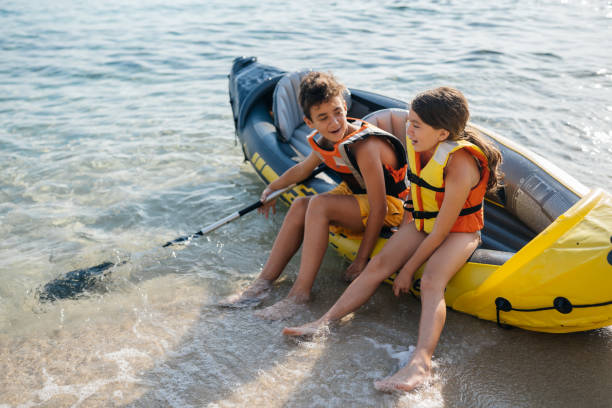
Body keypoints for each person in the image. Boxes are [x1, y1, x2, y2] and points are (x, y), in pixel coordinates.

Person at [283, 87, 503, 392]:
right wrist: (404, 230)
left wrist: (409, 269)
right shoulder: (418, 143)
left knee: (431, 282)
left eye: (415, 125)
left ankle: (420, 364)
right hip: (424, 220)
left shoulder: (460, 164)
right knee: (378, 265)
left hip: (460, 231)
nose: (407, 129)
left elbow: (441, 231)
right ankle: (325, 321)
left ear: (441, 133)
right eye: (409, 121)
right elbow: (418, 197)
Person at [219, 71, 410, 320]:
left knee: (319, 204)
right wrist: (272, 188)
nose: (333, 123)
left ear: (344, 107)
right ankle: (261, 285)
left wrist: (362, 259)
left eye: (338, 112)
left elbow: (379, 207)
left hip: (391, 206)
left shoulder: (365, 146)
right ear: (309, 122)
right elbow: (302, 169)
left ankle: (299, 295)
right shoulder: (324, 140)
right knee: (300, 205)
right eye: (323, 117)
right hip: (356, 196)